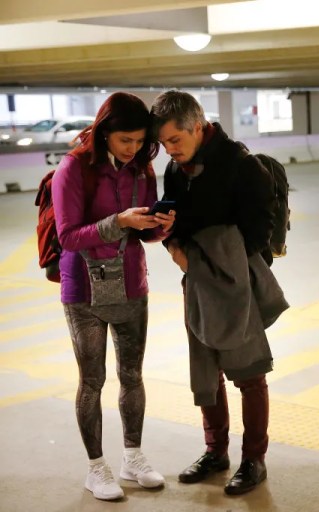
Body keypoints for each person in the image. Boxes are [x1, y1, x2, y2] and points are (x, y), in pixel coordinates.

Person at [151, 90, 286, 496]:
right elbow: (168, 218)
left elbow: (258, 235)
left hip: (234, 283)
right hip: (194, 281)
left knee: (248, 372)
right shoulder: (176, 170)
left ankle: (253, 459)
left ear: (198, 126)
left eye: (175, 140)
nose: (169, 151)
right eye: (163, 144)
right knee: (205, 369)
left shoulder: (241, 166)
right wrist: (175, 248)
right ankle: (216, 452)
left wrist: (218, 264)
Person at [52, 92, 176, 501]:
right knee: (92, 380)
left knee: (132, 375)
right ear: (105, 131)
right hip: (83, 288)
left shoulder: (142, 169)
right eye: (126, 140)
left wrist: (159, 225)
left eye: (140, 141)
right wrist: (117, 221)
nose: (133, 149)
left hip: (130, 282)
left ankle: (132, 456)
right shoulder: (73, 168)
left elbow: (146, 235)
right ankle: (95, 467)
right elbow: (68, 236)